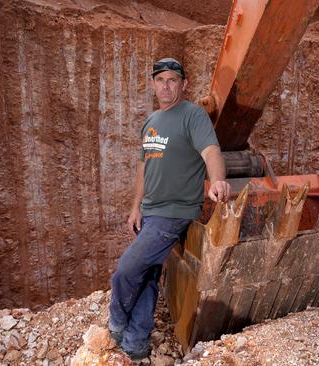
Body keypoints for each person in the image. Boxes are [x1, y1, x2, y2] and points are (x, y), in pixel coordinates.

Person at [108, 57, 231, 360]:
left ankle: (115, 326)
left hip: (173, 213)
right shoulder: (151, 122)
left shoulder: (193, 115)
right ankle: (136, 345)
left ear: (183, 84)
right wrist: (136, 207)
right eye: (160, 79)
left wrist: (218, 181)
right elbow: (143, 168)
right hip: (150, 211)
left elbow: (211, 151)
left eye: (172, 80)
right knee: (148, 274)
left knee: (125, 271)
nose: (166, 85)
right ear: (152, 84)